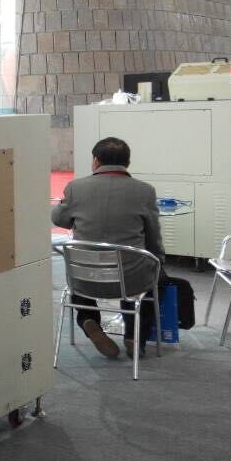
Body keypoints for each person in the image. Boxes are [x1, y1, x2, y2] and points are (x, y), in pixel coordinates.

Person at [52, 137, 167, 359]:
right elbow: (153, 236)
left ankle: (89, 320)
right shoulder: (145, 191)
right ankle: (135, 336)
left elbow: (59, 219)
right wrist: (159, 262)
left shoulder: (76, 187)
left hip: (85, 277)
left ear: (95, 160)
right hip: (129, 277)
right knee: (156, 280)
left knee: (77, 281)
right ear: (127, 163)